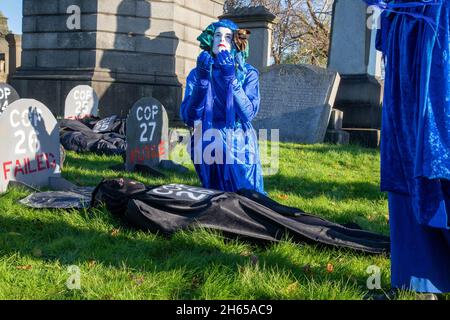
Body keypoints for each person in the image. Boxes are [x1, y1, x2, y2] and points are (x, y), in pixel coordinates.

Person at [363, 0, 450, 294]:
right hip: (403, 28)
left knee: (440, 150)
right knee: (405, 154)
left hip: (441, 28)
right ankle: (418, 280)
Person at [180, 19, 265, 193]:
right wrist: (202, 82)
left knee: (246, 194)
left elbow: (247, 113)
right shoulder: (197, 73)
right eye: (217, 35)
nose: (221, 40)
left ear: (235, 43)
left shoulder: (248, 73)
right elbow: (189, 117)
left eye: (227, 37)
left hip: (238, 140)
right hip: (206, 139)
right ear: (210, 40)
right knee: (214, 194)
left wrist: (231, 79)